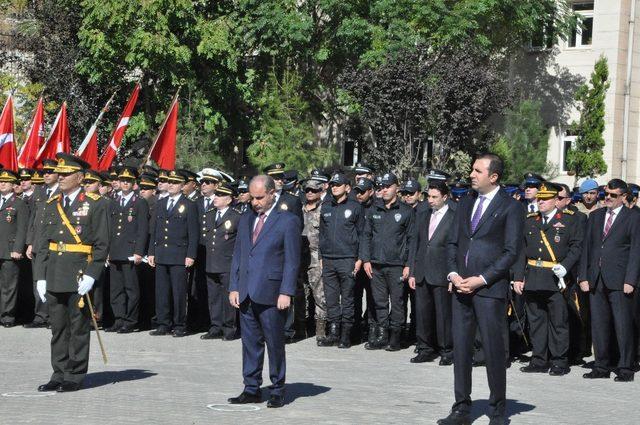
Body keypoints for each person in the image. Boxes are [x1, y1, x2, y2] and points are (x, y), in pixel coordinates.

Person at [438, 153, 523, 425]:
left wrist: (482, 278)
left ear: (493, 176)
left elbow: (511, 252)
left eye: (477, 171)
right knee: (461, 350)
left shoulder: (510, 207)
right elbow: (452, 243)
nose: (471, 174)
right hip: (461, 288)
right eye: (472, 170)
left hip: (489, 291)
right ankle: (461, 407)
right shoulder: (465, 203)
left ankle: (498, 411)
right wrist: (453, 274)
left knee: (493, 351)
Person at [34, 153, 110, 392]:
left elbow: (101, 244)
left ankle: (74, 375)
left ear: (80, 177)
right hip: (55, 273)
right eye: (61, 174)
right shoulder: (50, 204)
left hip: (79, 274)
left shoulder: (96, 203)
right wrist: (40, 277)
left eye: (67, 174)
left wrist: (92, 274)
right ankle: (58, 373)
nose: (62, 178)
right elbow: (42, 244)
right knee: (57, 328)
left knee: (78, 328)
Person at [228, 175, 301, 408]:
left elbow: (292, 260)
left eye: (260, 197)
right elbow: (239, 254)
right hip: (247, 290)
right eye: (252, 197)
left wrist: (286, 291)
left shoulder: (287, 220)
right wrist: (234, 286)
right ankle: (251, 388)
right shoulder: (247, 218)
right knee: (250, 343)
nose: (255, 202)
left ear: (272, 194)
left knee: (274, 343)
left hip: (272, 292)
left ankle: (278, 388)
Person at [512, 183, 583, 376]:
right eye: (539, 199)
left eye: (545, 199)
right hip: (533, 277)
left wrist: (566, 266)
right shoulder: (530, 220)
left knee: (558, 322)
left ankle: (559, 361)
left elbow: (576, 247)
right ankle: (539, 359)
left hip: (555, 279)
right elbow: (521, 252)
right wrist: (518, 277)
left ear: (555, 201)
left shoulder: (568, 221)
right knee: (536, 322)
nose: (540, 202)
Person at [578, 179, 640, 382]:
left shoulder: (633, 218)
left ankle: (625, 366)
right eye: (606, 194)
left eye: (614, 195)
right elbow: (586, 249)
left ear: (623, 197)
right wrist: (584, 276)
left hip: (620, 280)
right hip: (596, 279)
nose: (608, 198)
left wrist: (631, 279)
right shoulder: (595, 217)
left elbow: (636, 252)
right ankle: (601, 366)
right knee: (599, 325)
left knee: (623, 325)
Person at [360, 172, 416, 351]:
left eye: (387, 187)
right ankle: (382, 335)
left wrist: (408, 264)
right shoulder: (373, 210)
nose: (383, 190)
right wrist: (366, 259)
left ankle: (396, 337)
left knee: (398, 302)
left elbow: (411, 240)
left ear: (396, 188)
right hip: (376, 264)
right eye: (381, 187)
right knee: (379, 302)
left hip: (397, 265)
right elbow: (366, 236)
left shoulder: (406, 211)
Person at [409, 179, 455, 365]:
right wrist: (412, 271)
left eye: (435, 197)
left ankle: (446, 350)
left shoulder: (454, 216)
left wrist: (454, 274)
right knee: (422, 313)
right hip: (422, 272)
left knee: (443, 315)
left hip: (442, 273)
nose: (431, 200)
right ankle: (425, 348)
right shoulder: (422, 214)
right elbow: (416, 244)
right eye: (429, 196)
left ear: (445, 197)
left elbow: (456, 248)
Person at [148, 170, 199, 337]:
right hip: (162, 253)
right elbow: (154, 230)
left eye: (175, 182)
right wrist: (151, 252)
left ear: (182, 186)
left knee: (178, 292)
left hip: (179, 254)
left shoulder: (189, 205)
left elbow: (193, 232)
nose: (170, 185)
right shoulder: (161, 203)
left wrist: (191, 255)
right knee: (161, 291)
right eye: (169, 181)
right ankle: (163, 323)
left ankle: (179, 324)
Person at [317, 173, 364, 348]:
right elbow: (322, 234)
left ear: (347, 187)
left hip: (347, 259)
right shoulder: (326, 206)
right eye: (332, 184)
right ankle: (333, 332)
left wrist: (359, 258)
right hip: (329, 259)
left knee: (348, 299)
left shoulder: (355, 207)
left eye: (338, 184)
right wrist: (321, 256)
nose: (334, 187)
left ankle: (346, 335)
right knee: (331, 299)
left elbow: (362, 235)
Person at [107, 166, 149, 333]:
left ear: (134, 183)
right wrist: (107, 251)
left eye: (128, 181)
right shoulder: (114, 201)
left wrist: (139, 251)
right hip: (115, 251)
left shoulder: (139, 202)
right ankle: (118, 318)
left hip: (130, 252)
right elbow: (110, 228)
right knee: (116, 289)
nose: (125, 183)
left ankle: (130, 320)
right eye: (123, 180)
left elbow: (142, 229)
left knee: (131, 288)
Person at [201, 182, 241, 340]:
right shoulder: (209, 214)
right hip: (211, 262)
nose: (215, 198)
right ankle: (215, 326)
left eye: (220, 195)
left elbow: (239, 242)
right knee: (214, 297)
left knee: (227, 297)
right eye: (215, 195)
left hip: (227, 263)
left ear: (229, 199)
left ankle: (229, 328)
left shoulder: (236, 216)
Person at [24, 159, 59, 328]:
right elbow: (33, 219)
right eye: (44, 172)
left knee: (53, 281)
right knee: (38, 280)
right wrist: (30, 242)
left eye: (50, 172)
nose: (46, 175)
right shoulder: (40, 192)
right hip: (38, 243)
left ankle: (54, 317)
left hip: (54, 243)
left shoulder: (62, 191)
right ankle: (40, 315)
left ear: (58, 174)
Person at [299, 179, 327, 342]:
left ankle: (320, 329)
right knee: (301, 293)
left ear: (320, 192)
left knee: (319, 294)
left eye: (313, 190)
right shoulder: (299, 209)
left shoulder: (324, 210)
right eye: (307, 190)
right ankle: (301, 327)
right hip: (300, 257)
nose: (309, 192)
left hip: (317, 257)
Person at [0, 169, 28, 327]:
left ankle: (7, 317)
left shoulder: (19, 203)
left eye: (6, 182)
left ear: (12, 185)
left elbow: (22, 229)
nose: (2, 184)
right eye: (1, 181)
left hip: (10, 250)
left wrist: (18, 249)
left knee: (9, 286)